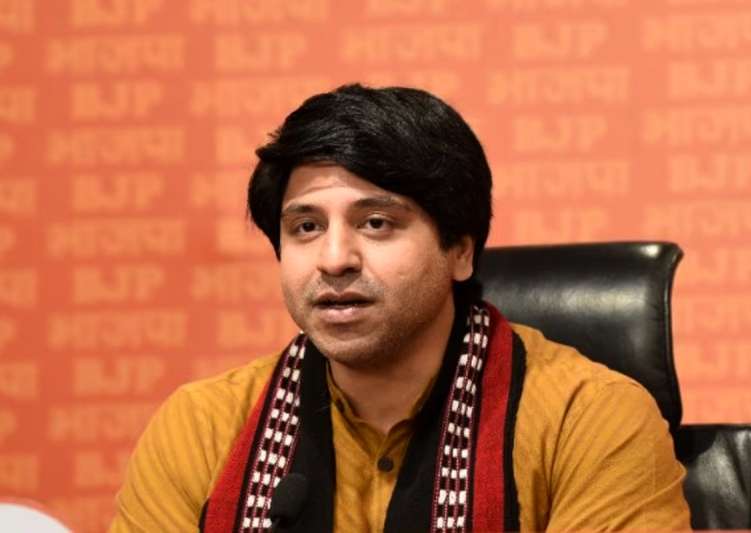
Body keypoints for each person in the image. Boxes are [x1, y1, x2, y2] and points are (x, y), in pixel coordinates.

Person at [110, 84, 690, 532]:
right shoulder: (203, 427)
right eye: (306, 227)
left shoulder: (586, 420)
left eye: (376, 223)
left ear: (460, 250)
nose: (334, 259)